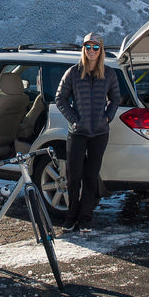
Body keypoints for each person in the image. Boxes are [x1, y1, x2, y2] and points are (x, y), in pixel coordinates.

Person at [54, 33, 121, 232]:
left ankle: (85, 219)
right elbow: (60, 98)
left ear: (101, 50)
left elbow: (116, 99)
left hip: (100, 133)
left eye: (95, 47)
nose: (91, 50)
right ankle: (71, 216)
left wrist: (108, 116)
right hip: (77, 132)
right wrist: (75, 119)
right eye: (88, 46)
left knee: (91, 177)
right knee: (73, 177)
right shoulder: (73, 73)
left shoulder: (109, 74)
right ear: (83, 48)